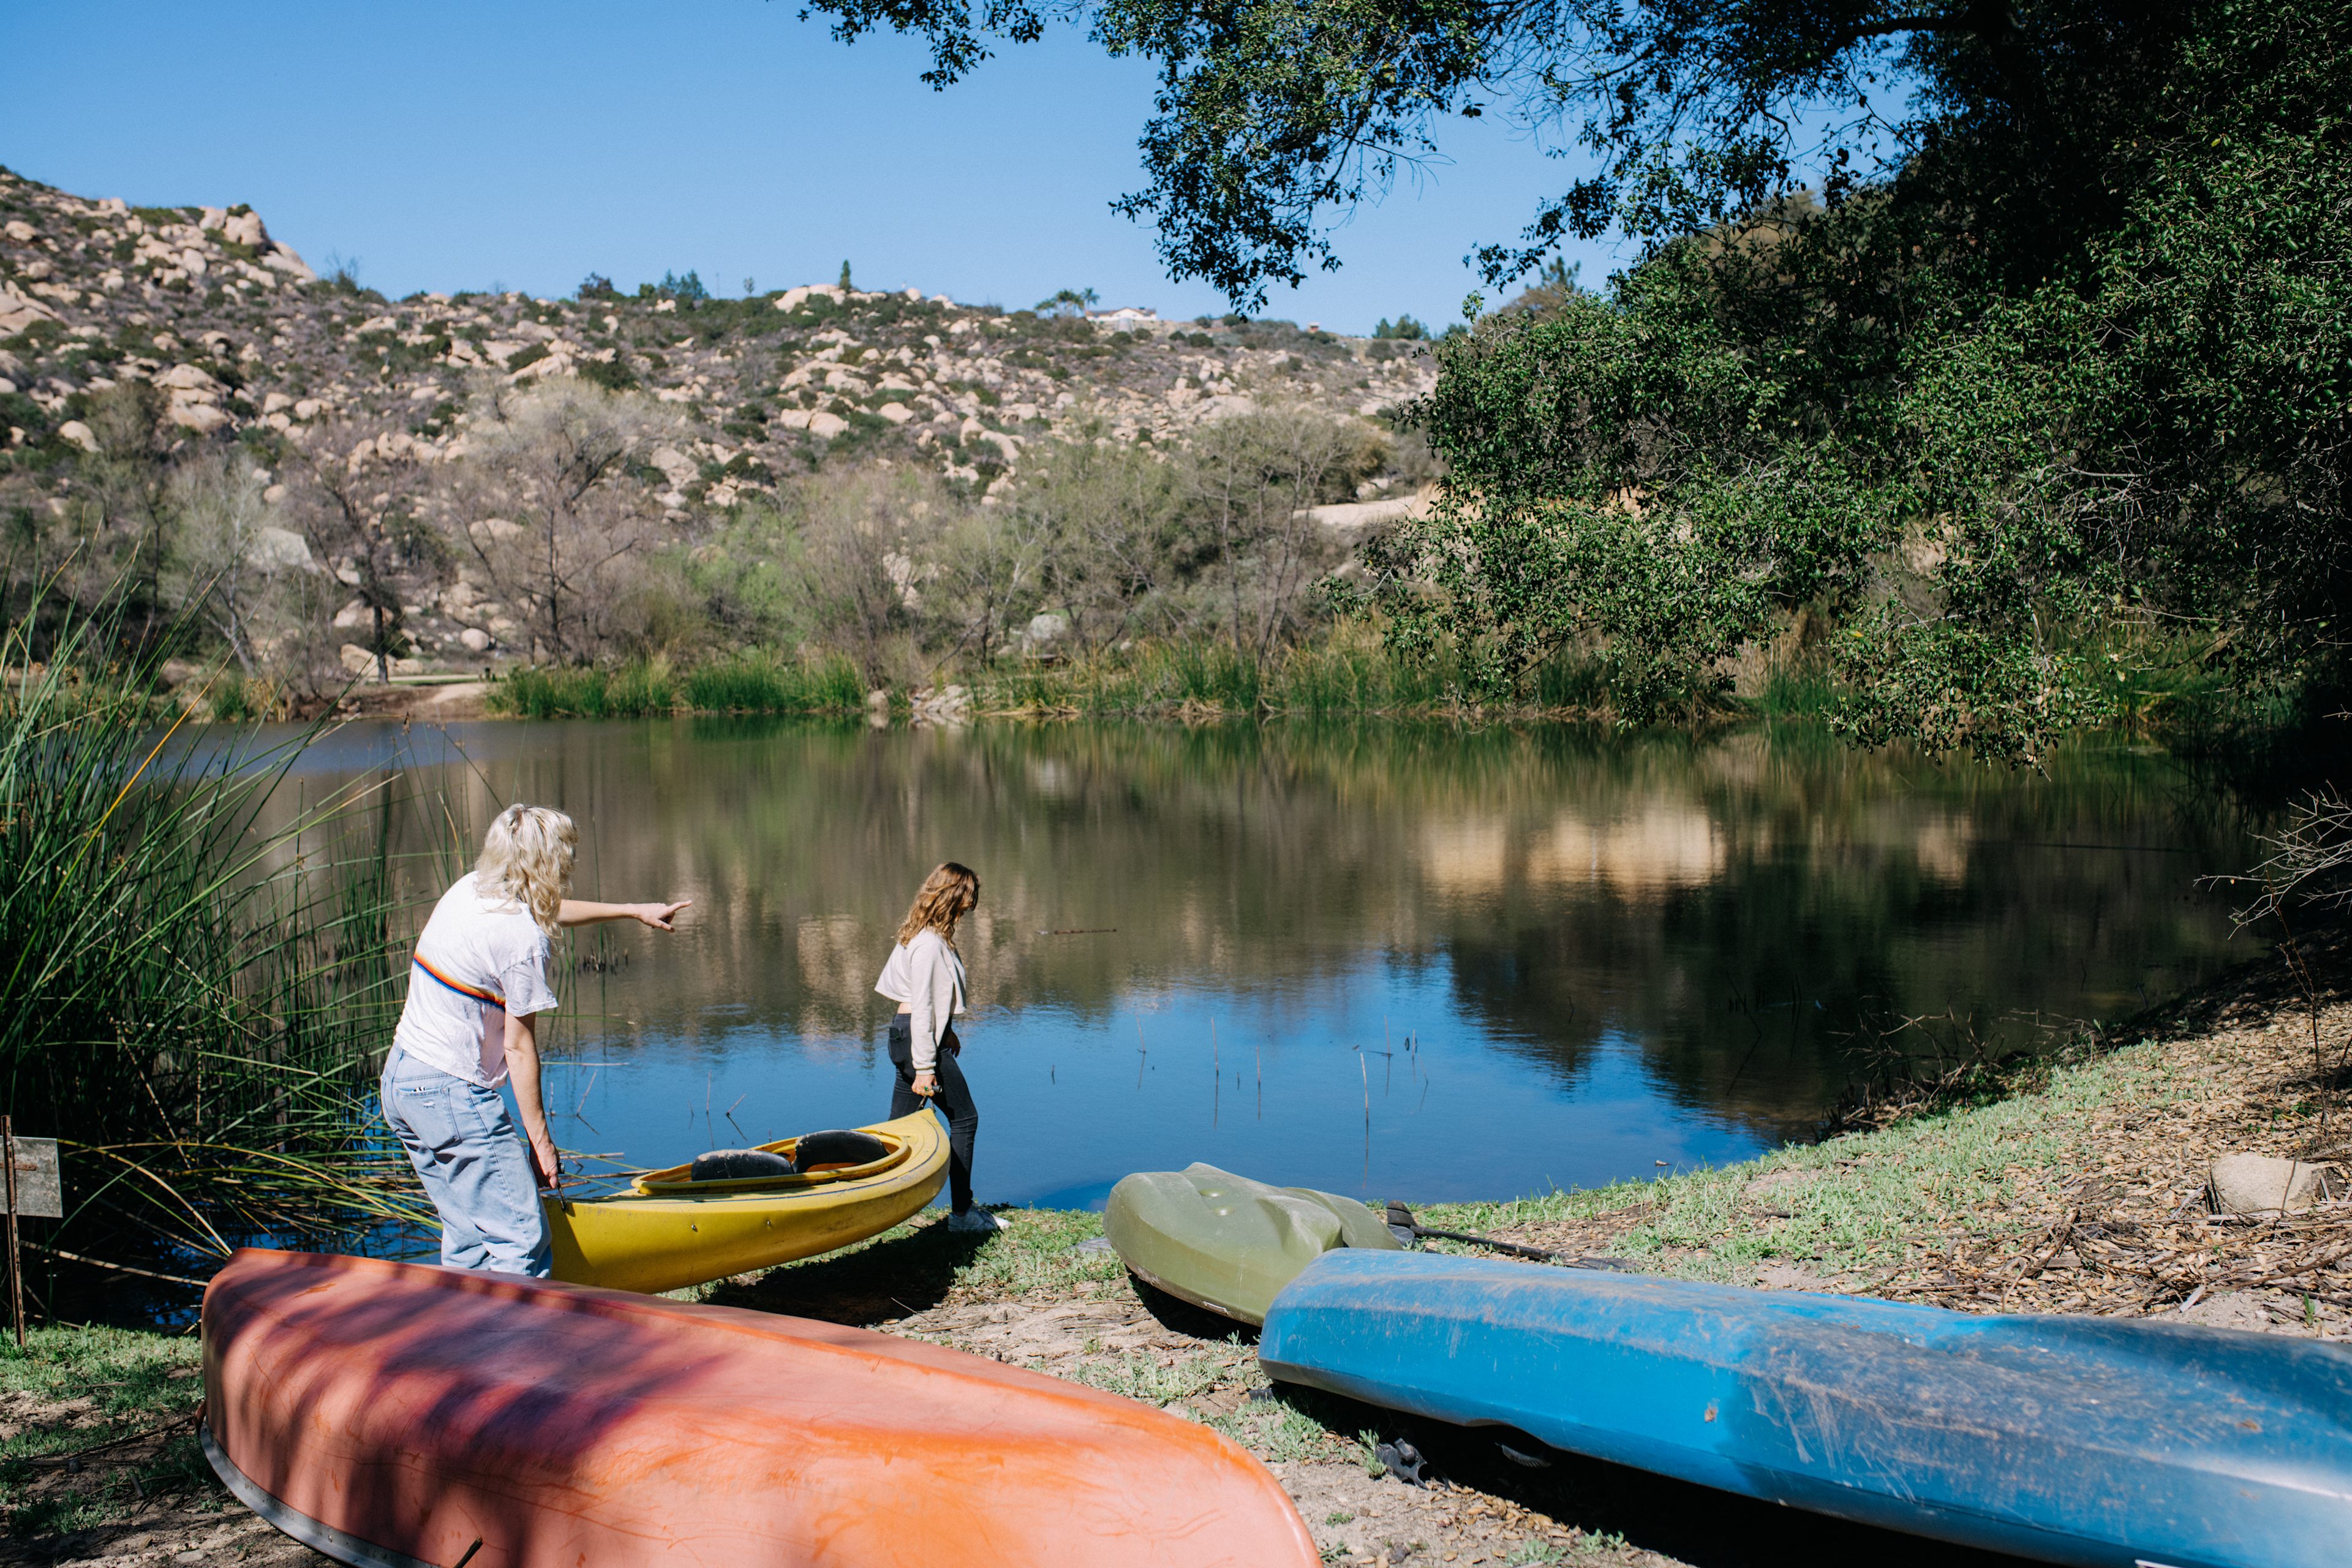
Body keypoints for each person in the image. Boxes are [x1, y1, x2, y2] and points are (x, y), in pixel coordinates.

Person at [381, 803, 690, 1275]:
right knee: (521, 1241)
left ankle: (465, 1324)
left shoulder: (471, 889)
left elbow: (541, 909)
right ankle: (520, 1327)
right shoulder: (523, 940)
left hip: (403, 1085)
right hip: (450, 1094)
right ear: (549, 861)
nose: (571, 863)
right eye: (567, 854)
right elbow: (518, 1048)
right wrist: (541, 1142)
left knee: (469, 1239)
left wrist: (633, 911)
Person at [875, 861, 1002, 1233]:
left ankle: (879, 1203)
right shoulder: (930, 944)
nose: (971, 907)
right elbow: (923, 1006)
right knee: (965, 1119)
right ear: (955, 898)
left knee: (899, 1131)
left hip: (906, 1037)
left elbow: (923, 998)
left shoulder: (921, 934)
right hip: (919, 1042)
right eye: (969, 898)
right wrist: (926, 1067)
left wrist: (946, 1032)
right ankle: (962, 1215)